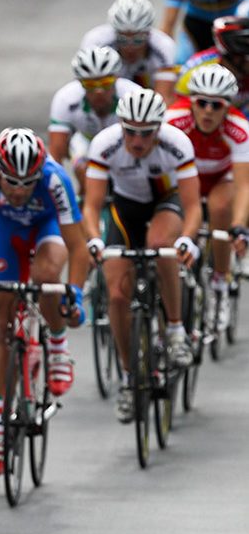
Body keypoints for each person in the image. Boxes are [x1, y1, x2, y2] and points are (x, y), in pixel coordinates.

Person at [0, 128, 88, 476]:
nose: (18, 191)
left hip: (47, 227)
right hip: (6, 230)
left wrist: (73, 291)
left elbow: (78, 248)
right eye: (11, 182)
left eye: (27, 182)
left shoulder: (55, 180)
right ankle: (1, 428)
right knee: (4, 327)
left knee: (46, 277)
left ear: (40, 174)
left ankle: (58, 346)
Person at [84, 88, 202, 423]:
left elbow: (193, 206)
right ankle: (128, 378)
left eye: (146, 133)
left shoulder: (176, 143)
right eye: (130, 132)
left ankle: (176, 329)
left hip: (167, 203)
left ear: (158, 129)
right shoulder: (105, 144)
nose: (137, 140)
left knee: (160, 242)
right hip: (125, 210)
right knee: (118, 295)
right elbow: (91, 207)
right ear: (120, 126)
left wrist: (189, 241)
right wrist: (94, 240)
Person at [166, 63, 249, 326]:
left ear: (228, 107)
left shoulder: (239, 129)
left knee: (221, 207)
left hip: (220, 178)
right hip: (185, 177)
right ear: (191, 101)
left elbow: (243, 184)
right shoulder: (173, 121)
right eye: (201, 103)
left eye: (217, 105)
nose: (208, 111)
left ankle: (220, 283)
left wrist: (238, 226)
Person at [49, 46, 142, 199]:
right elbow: (56, 155)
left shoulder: (133, 94)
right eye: (90, 85)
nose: (99, 91)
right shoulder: (65, 98)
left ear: (117, 78)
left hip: (124, 142)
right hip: (86, 140)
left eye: (106, 82)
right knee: (85, 171)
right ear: (80, 83)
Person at [81, 0, 178, 105]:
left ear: (148, 34)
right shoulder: (96, 42)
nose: (130, 47)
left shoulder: (163, 46)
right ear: (114, 33)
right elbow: (87, 91)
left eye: (138, 40)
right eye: (122, 39)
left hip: (150, 90)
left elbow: (163, 99)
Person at [160, 0, 249, 64]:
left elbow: (245, 12)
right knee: (181, 63)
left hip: (229, 26)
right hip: (196, 25)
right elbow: (167, 26)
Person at [176, 15, 249, 116]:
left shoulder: (240, 63)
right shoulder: (194, 72)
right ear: (233, 56)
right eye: (247, 57)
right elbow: (178, 111)